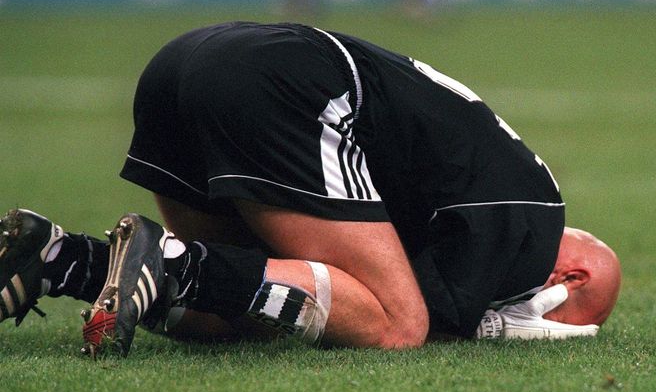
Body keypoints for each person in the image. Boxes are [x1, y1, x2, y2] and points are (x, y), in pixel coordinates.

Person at [0, 22, 621, 356]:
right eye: (575, 320)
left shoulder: (502, 181)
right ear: (571, 279)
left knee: (249, 305)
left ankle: (56, 257)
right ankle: (171, 262)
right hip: (287, 87)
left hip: (183, 62)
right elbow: (426, 319)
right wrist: (490, 325)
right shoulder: (535, 221)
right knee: (397, 325)